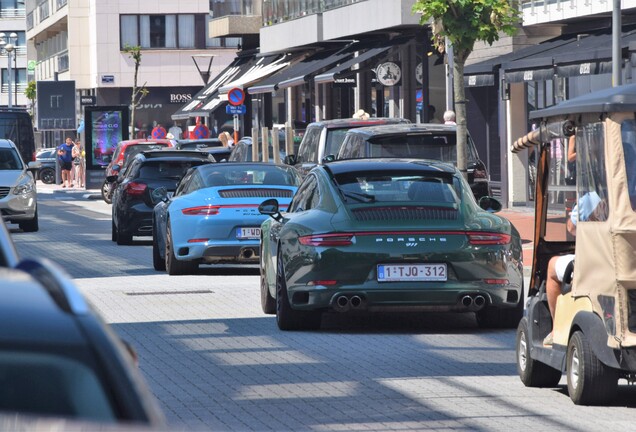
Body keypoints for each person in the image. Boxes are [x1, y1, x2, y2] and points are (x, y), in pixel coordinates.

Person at [543, 191, 603, 346]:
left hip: (595, 261)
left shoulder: (593, 198)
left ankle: (556, 329)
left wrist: (575, 212)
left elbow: (571, 227)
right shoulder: (631, 194)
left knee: (551, 266)